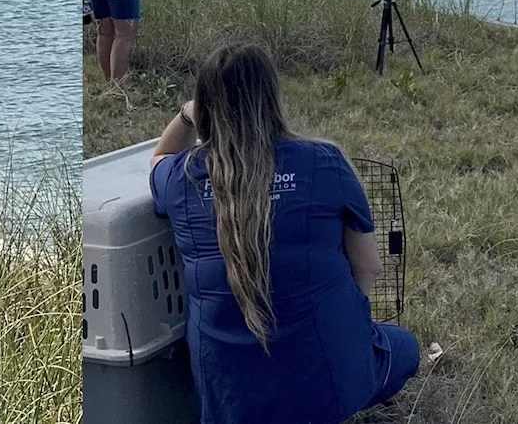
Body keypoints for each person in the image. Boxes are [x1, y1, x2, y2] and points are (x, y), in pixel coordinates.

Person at [149, 42, 420, 424]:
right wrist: (340, 323)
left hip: (231, 402)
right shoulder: (326, 161)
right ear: (272, 98)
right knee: (405, 347)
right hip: (330, 387)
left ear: (205, 106)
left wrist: (187, 116)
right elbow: (370, 267)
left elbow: (158, 158)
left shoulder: (181, 177)